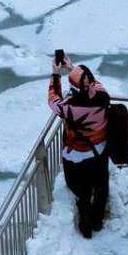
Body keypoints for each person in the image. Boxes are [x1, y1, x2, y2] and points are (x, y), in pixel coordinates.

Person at [48, 55, 110, 239]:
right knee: (101, 187)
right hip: (99, 151)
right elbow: (93, 83)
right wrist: (73, 69)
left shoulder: (69, 108)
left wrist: (56, 74)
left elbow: (53, 99)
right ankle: (97, 221)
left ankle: (85, 226)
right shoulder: (102, 97)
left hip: (76, 156)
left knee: (83, 193)